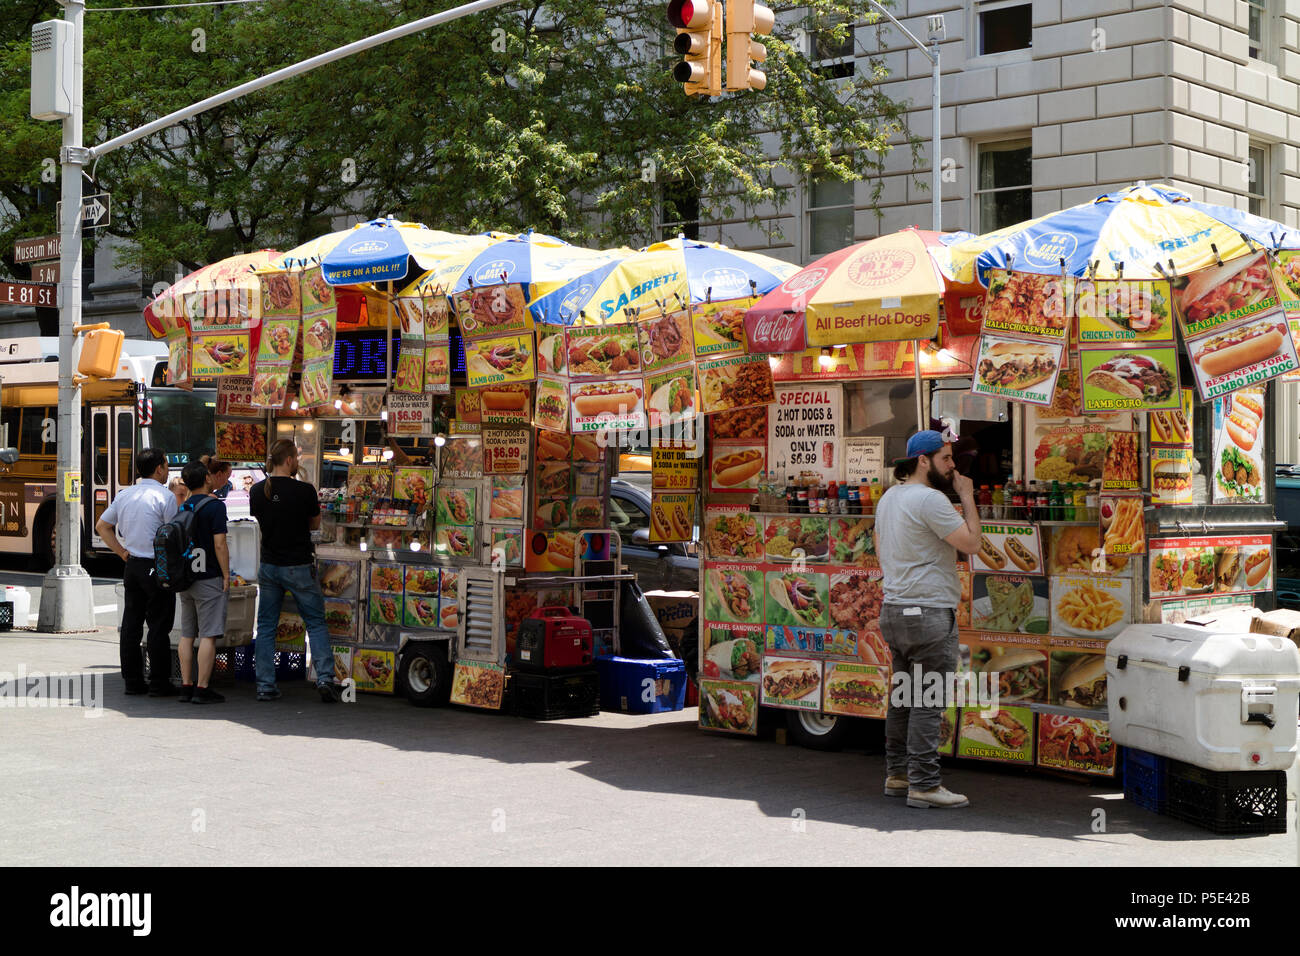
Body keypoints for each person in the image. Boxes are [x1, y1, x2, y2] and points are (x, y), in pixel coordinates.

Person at [874, 430, 982, 809]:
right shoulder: (931, 499)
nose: (953, 466)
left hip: (894, 611)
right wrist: (967, 496)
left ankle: (898, 775)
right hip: (929, 613)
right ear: (924, 460)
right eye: (947, 458)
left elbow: (878, 546)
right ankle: (924, 784)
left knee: (902, 699)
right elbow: (972, 544)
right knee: (926, 701)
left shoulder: (889, 498)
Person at [249, 439, 340, 703]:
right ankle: (325, 677)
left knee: (266, 626)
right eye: (296, 458)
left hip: (269, 565)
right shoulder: (305, 491)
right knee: (315, 623)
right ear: (289, 460)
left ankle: (265, 685)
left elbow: (263, 521)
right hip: (298, 564)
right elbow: (315, 524)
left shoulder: (257, 491)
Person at [95, 447, 180, 696]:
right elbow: (172, 533)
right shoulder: (164, 497)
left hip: (132, 565)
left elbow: (102, 526)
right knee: (158, 625)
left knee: (131, 625)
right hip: (157, 566)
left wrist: (122, 552)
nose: (167, 470)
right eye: (165, 465)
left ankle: (132, 680)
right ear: (158, 469)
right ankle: (159, 682)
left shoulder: (125, 495)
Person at [174, 461, 230, 704]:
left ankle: (186, 685)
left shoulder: (183, 505)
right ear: (207, 478)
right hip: (209, 577)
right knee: (208, 635)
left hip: (185, 578)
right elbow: (219, 543)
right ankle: (202, 688)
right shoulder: (215, 506)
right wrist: (226, 574)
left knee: (187, 634)